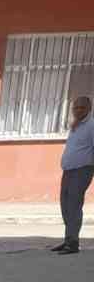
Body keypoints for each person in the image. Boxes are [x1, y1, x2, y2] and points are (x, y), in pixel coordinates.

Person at [54, 94, 94, 255]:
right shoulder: (75, 125)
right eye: (75, 107)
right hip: (69, 170)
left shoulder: (91, 125)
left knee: (74, 205)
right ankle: (68, 239)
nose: (78, 110)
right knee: (65, 204)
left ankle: (73, 243)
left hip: (82, 170)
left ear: (89, 109)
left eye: (82, 107)